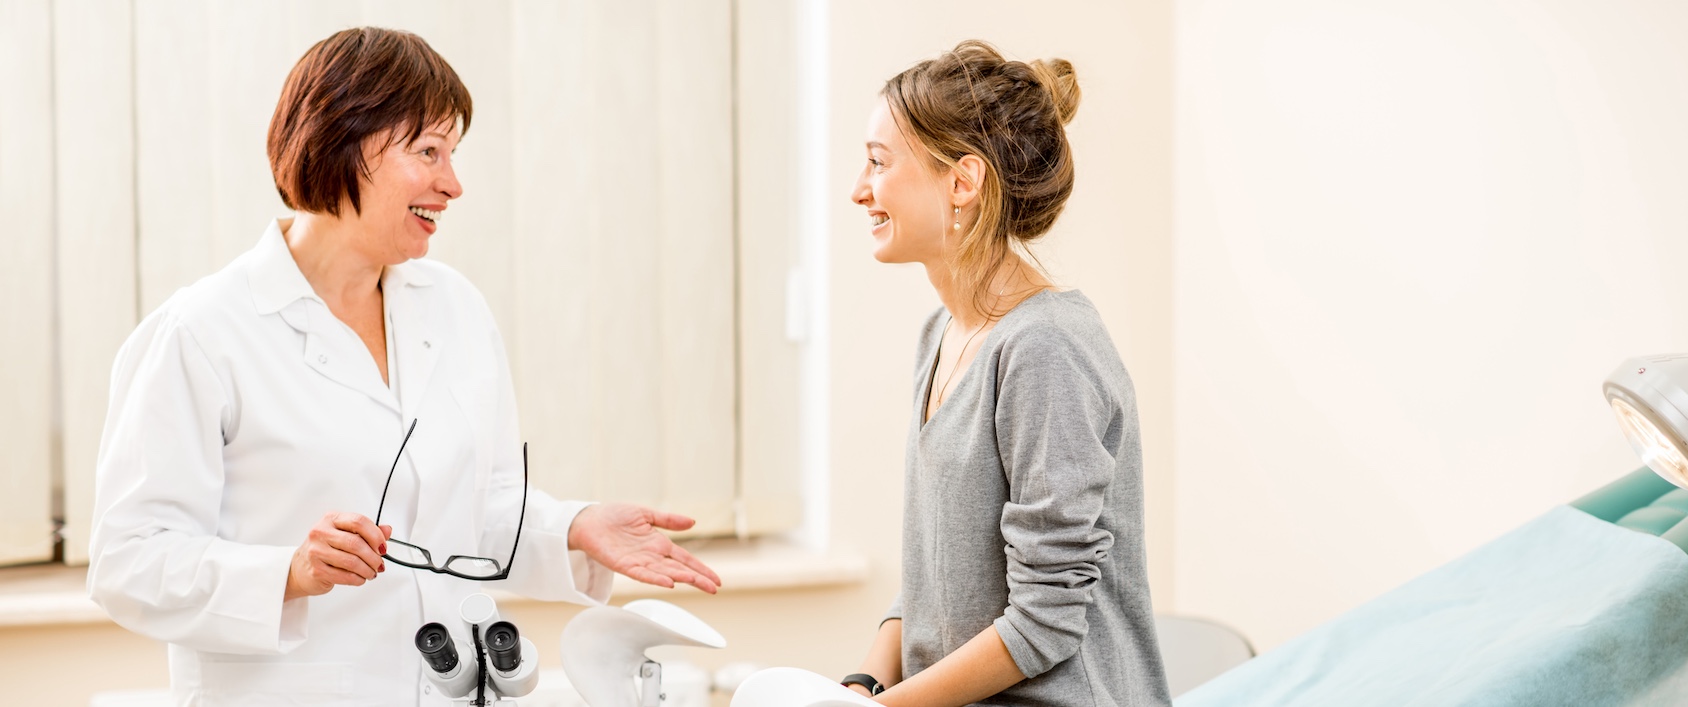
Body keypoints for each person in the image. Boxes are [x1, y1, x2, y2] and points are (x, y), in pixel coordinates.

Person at [86, 27, 720, 705]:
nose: (453, 183)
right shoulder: (202, 333)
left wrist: (573, 526)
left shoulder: (456, 309)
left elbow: (474, 508)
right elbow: (129, 559)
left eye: (452, 153)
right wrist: (289, 572)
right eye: (428, 151)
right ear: (345, 141)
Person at [842, 41, 1170, 706]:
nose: (859, 190)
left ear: (962, 182)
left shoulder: (1047, 349)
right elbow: (941, 571)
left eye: (878, 163)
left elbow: (1043, 622)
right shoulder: (942, 335)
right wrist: (862, 684)